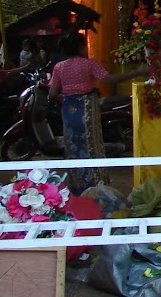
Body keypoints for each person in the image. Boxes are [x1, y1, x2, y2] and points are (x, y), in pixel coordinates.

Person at [48, 32, 145, 194]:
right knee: (92, 145)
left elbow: (52, 93)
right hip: (87, 110)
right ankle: (95, 183)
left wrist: (64, 97)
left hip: (69, 113)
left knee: (73, 148)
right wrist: (136, 73)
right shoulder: (89, 64)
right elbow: (108, 79)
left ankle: (77, 186)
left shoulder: (59, 67)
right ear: (80, 48)